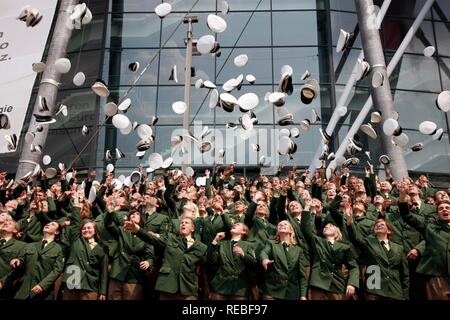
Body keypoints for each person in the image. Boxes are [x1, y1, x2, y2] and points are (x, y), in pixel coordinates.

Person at [124, 215, 207, 300]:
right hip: (167, 288)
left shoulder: (201, 247)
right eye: (181, 223)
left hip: (188, 290)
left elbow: (206, 266)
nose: (183, 224)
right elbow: (150, 239)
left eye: (186, 223)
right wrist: (137, 229)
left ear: (192, 229)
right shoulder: (170, 238)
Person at [398, 183, 450, 300]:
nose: (444, 210)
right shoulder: (429, 225)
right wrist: (402, 196)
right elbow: (407, 215)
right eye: (441, 209)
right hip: (437, 276)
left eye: (447, 208)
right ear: (437, 214)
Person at [301, 198, 359, 300]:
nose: (327, 226)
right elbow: (305, 228)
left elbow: (353, 267)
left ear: (337, 232)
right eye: (325, 226)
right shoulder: (317, 241)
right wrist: (306, 208)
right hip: (318, 283)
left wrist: (352, 283)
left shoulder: (344, 246)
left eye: (331, 225)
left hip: (336, 284)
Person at [346, 213, 409, 300]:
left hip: (395, 290)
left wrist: (405, 296)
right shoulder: (369, 243)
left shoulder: (399, 248)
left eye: (382, 224)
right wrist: (350, 221)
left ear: (389, 231)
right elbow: (355, 238)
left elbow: (405, 275)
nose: (378, 225)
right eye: (376, 225)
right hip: (374, 288)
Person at [62, 190, 108, 300]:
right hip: (72, 281)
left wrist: (103, 290)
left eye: (89, 228)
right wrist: (76, 203)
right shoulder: (76, 239)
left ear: (95, 231)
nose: (86, 230)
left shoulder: (101, 248)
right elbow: (75, 223)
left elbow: (104, 271)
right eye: (84, 228)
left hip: (90, 285)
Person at [105, 199, 154, 300]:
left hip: (134, 276)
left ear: (141, 219)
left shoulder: (146, 235)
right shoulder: (122, 231)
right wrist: (110, 212)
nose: (133, 215)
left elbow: (150, 255)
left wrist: (149, 262)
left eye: (137, 214)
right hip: (118, 274)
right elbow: (109, 225)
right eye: (131, 214)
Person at [10, 221, 65, 300]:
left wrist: (43, 285)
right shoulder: (30, 245)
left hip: (44, 293)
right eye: (47, 223)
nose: (48, 224)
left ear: (57, 232)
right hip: (23, 291)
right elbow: (21, 263)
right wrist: (16, 261)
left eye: (52, 224)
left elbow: (57, 270)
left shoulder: (59, 249)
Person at [260, 220, 308, 300]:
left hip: (291, 291)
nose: (282, 225)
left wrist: (303, 295)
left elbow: (302, 274)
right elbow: (264, 252)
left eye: (285, 224)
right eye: (279, 225)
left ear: (291, 230)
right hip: (272, 290)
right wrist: (265, 259)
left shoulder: (298, 250)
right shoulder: (271, 243)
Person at [208, 223, 256, 300]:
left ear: (243, 231)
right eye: (233, 224)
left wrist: (243, 254)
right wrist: (215, 241)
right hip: (220, 285)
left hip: (239, 287)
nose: (234, 225)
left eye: (238, 224)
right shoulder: (222, 243)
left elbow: (253, 263)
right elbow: (211, 260)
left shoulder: (248, 245)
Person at [0, 219, 26, 299]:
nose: (6, 223)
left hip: (3, 288)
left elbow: (19, 268)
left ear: (15, 230)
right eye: (4, 222)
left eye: (10, 223)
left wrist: (2, 282)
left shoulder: (22, 246)